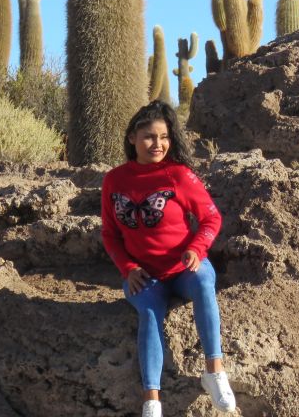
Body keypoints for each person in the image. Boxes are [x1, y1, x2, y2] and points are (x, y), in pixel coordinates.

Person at [101, 100, 236, 417]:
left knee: (204, 279)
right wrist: (128, 268)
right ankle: (152, 401)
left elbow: (211, 218)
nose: (158, 144)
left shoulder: (179, 175)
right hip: (145, 276)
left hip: (183, 268)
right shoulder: (115, 180)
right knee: (149, 314)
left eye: (164, 137)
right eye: (149, 136)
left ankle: (214, 372)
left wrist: (196, 248)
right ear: (132, 138)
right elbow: (110, 234)